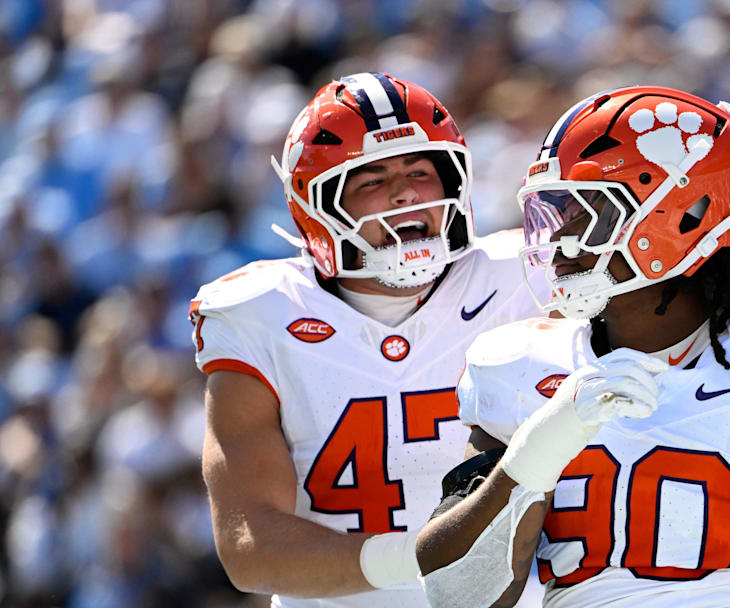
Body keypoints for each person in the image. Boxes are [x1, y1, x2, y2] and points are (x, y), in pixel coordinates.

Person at [416, 86, 730, 607]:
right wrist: (540, 450)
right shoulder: (520, 365)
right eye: (556, 209)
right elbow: (457, 597)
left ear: (685, 215)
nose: (561, 237)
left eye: (587, 208)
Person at [190, 72, 549, 607]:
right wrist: (428, 556)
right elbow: (252, 548)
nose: (405, 191)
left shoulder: (529, 275)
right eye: (372, 179)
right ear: (320, 209)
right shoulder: (260, 315)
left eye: (421, 171)